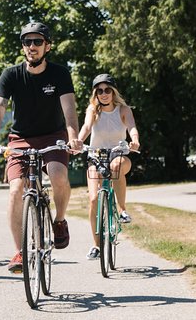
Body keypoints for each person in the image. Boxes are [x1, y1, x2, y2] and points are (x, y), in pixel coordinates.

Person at [0, 22, 83, 273]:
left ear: (47, 46)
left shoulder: (60, 74)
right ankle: (19, 252)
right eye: (27, 42)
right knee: (16, 189)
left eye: (37, 42)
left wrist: (73, 136)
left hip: (53, 136)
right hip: (20, 139)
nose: (32, 47)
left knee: (59, 175)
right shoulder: (11, 74)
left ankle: (59, 221)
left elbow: (69, 109)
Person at [77, 74, 140, 260]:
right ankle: (96, 245)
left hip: (118, 153)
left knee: (116, 167)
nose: (104, 94)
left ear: (114, 92)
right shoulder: (93, 110)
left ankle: (121, 210)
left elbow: (132, 127)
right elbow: (87, 127)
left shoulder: (123, 109)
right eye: (99, 91)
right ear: (95, 93)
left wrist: (134, 140)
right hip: (95, 156)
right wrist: (78, 142)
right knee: (94, 199)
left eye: (107, 90)